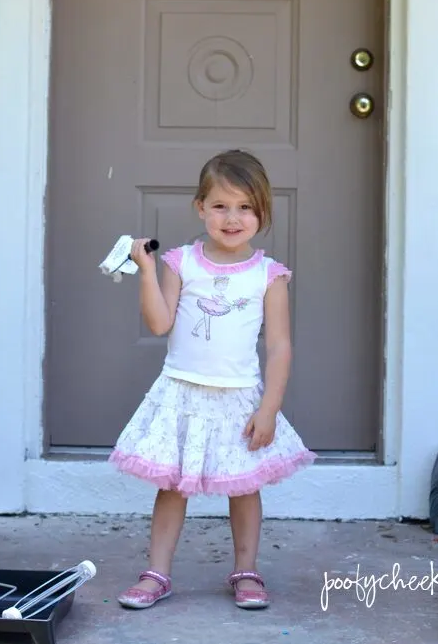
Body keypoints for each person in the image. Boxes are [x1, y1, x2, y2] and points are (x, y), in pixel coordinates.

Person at [108, 149, 316, 610]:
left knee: (243, 487)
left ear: (262, 214)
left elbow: (279, 346)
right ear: (199, 207)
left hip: (240, 398)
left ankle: (246, 569)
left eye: (246, 207)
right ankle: (156, 572)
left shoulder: (269, 274)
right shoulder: (182, 262)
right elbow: (160, 323)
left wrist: (270, 409)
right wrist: (145, 271)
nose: (232, 217)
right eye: (220, 205)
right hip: (181, 392)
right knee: (173, 485)